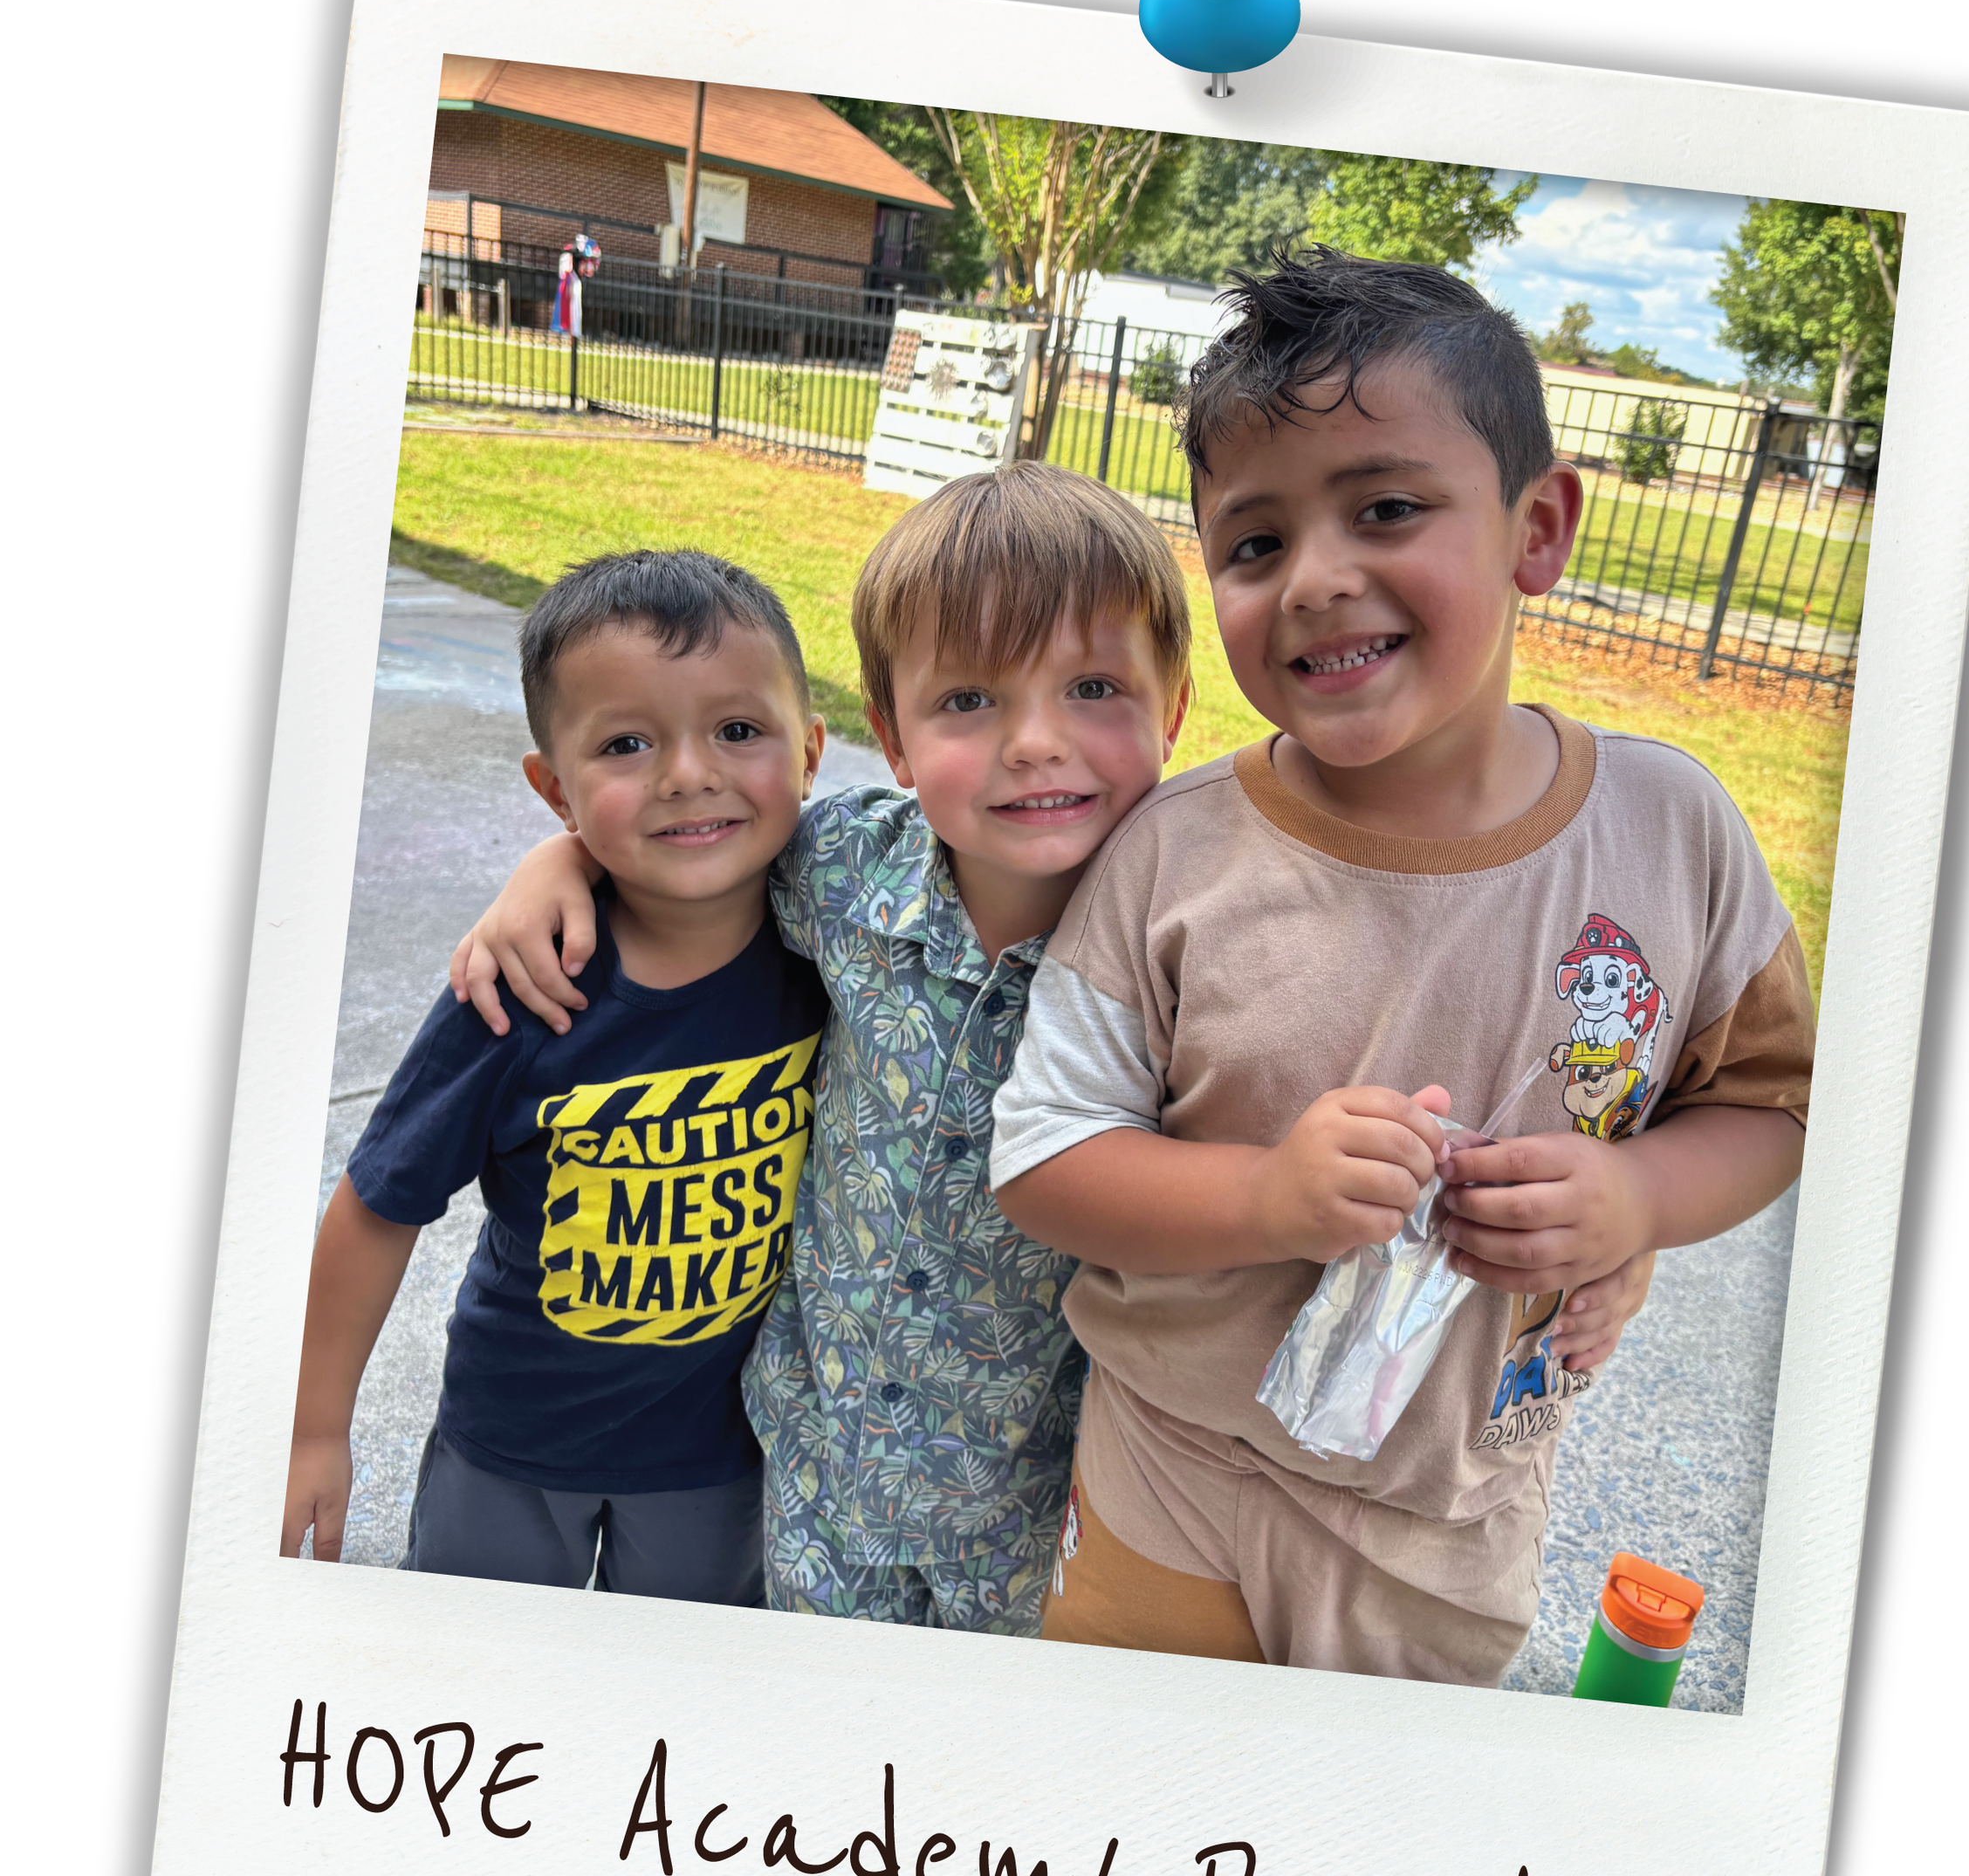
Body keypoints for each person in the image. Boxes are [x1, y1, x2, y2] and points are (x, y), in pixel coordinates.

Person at [987, 248, 1813, 1684]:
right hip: (1177, 1470)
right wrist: (1264, 1191)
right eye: (1253, 543)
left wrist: (1633, 1197)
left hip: (1453, 1518)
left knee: (1369, 1869)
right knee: (1118, 1822)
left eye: (1386, 506)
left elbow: (1770, 1107)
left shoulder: (1674, 832)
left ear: (1536, 527)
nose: (1314, 578)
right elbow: (1044, 1155)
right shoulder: (1176, 855)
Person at [449, 467, 1197, 1632]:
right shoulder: (844, 868)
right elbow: (686, 831)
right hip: (816, 1467)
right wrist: (554, 866)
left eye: (1094, 686)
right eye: (970, 701)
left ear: (1176, 708)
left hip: (1027, 1498)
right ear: (890, 737)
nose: (1037, 742)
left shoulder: (1188, 939)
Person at [283, 551, 828, 1604]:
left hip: (722, 1456)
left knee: (674, 1710)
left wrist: (569, 852)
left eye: (737, 729)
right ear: (554, 787)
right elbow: (376, 1206)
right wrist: (316, 1426)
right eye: (625, 742)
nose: (686, 772)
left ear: (809, 749)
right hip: (514, 1443)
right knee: (467, 1691)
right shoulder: (522, 984)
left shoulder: (843, 947)